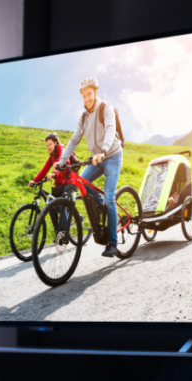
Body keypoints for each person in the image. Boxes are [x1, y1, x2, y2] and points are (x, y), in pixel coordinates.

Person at [57, 77, 124, 258]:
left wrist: (103, 151)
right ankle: (100, 202)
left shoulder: (106, 108)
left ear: (95, 92)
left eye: (89, 94)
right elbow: (74, 139)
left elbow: (111, 130)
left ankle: (112, 243)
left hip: (112, 155)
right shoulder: (84, 116)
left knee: (110, 197)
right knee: (82, 182)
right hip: (97, 159)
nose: (86, 98)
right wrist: (62, 161)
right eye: (84, 95)